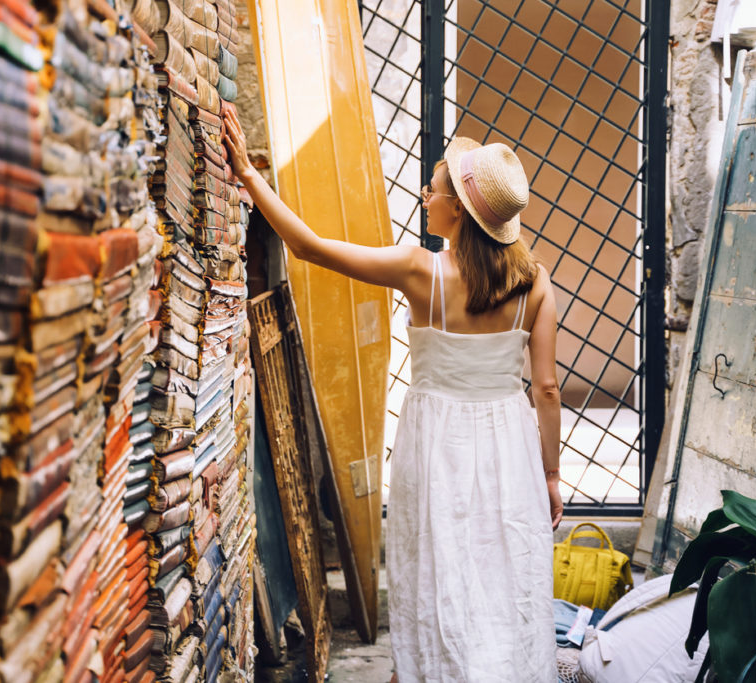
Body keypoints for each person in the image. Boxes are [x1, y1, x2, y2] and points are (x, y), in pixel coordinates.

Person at [223, 108, 563, 682]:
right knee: (504, 571)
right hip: (507, 441)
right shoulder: (535, 283)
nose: (425, 197)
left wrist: (250, 178)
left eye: (433, 191)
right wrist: (551, 476)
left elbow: (309, 248)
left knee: (434, 566)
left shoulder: (418, 270)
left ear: (458, 209)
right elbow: (548, 389)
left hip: (435, 442)